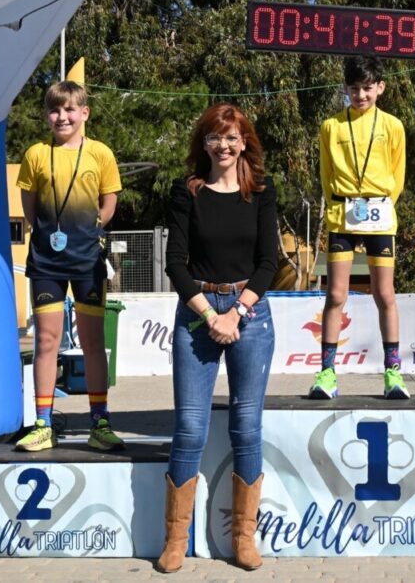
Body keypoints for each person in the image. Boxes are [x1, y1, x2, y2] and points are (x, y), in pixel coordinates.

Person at [158, 103, 278, 573]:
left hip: (251, 315)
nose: (223, 146)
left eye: (231, 137)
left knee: (246, 428)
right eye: (214, 137)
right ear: (203, 143)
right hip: (197, 315)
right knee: (189, 428)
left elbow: (269, 262)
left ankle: (244, 538)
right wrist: (211, 315)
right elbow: (176, 264)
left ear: (244, 140)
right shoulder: (186, 191)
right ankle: (174, 540)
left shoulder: (262, 193)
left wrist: (238, 312)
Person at [15, 80, 124, 452]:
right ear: (47, 115)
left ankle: (100, 423)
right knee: (46, 341)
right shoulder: (35, 154)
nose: (62, 117)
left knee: (93, 343)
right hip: (46, 261)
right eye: (55, 110)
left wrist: (93, 229)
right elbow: (29, 207)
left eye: (69, 110)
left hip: (88, 261)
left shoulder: (101, 153)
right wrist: (48, 233)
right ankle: (43, 424)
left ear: (84, 113)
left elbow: (108, 202)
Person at [309, 55, 408, 400]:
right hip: (342, 215)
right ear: (345, 89)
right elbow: (325, 175)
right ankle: (326, 374)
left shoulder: (393, 125)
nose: (361, 95)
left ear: (380, 87)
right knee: (336, 294)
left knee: (385, 294)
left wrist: (381, 207)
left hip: (380, 215)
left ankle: (393, 372)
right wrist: (343, 204)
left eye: (367, 88)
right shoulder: (330, 126)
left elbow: (398, 175)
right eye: (354, 89)